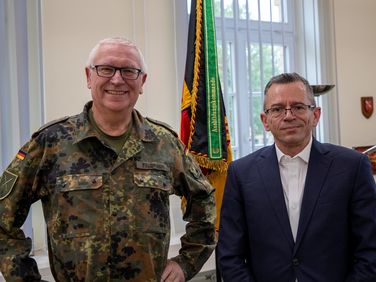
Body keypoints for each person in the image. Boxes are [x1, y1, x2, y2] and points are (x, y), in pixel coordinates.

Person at [0, 37, 216, 282]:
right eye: (106, 69)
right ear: (88, 77)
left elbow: (204, 198)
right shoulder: (51, 143)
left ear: (142, 81)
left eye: (129, 71)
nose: (117, 79)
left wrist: (185, 263)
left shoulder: (164, 143)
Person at [217, 72, 376, 281]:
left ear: (316, 115)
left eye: (299, 107)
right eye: (277, 109)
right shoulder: (241, 173)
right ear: (265, 121)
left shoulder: (352, 167)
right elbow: (230, 256)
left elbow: (370, 250)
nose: (289, 115)